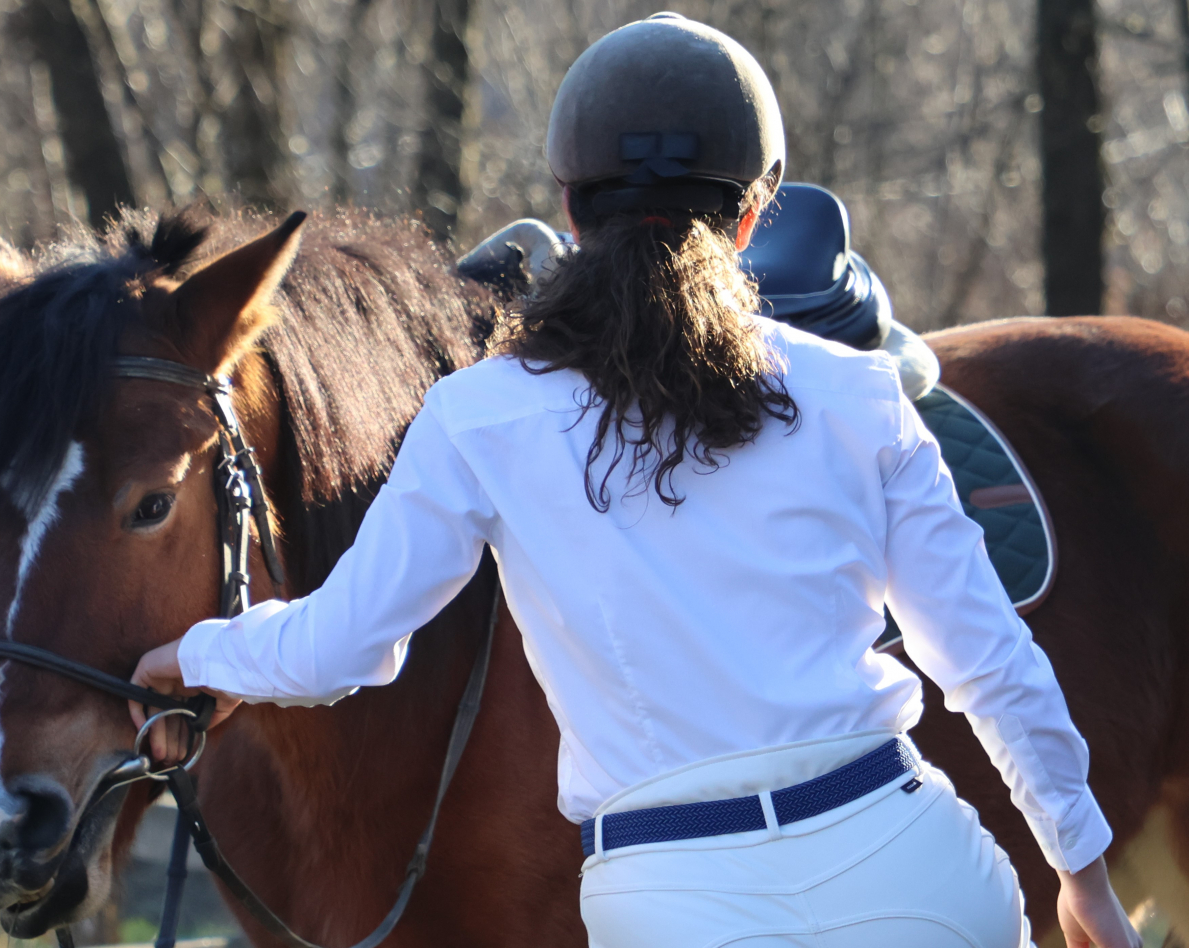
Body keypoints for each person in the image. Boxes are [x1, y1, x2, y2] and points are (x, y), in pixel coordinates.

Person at [131, 14, 1139, 948]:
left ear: (568, 206)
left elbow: (340, 648)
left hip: (674, 898)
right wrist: (1080, 872)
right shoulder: (858, 393)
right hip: (910, 865)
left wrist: (195, 651)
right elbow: (990, 663)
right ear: (752, 219)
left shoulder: (477, 416)